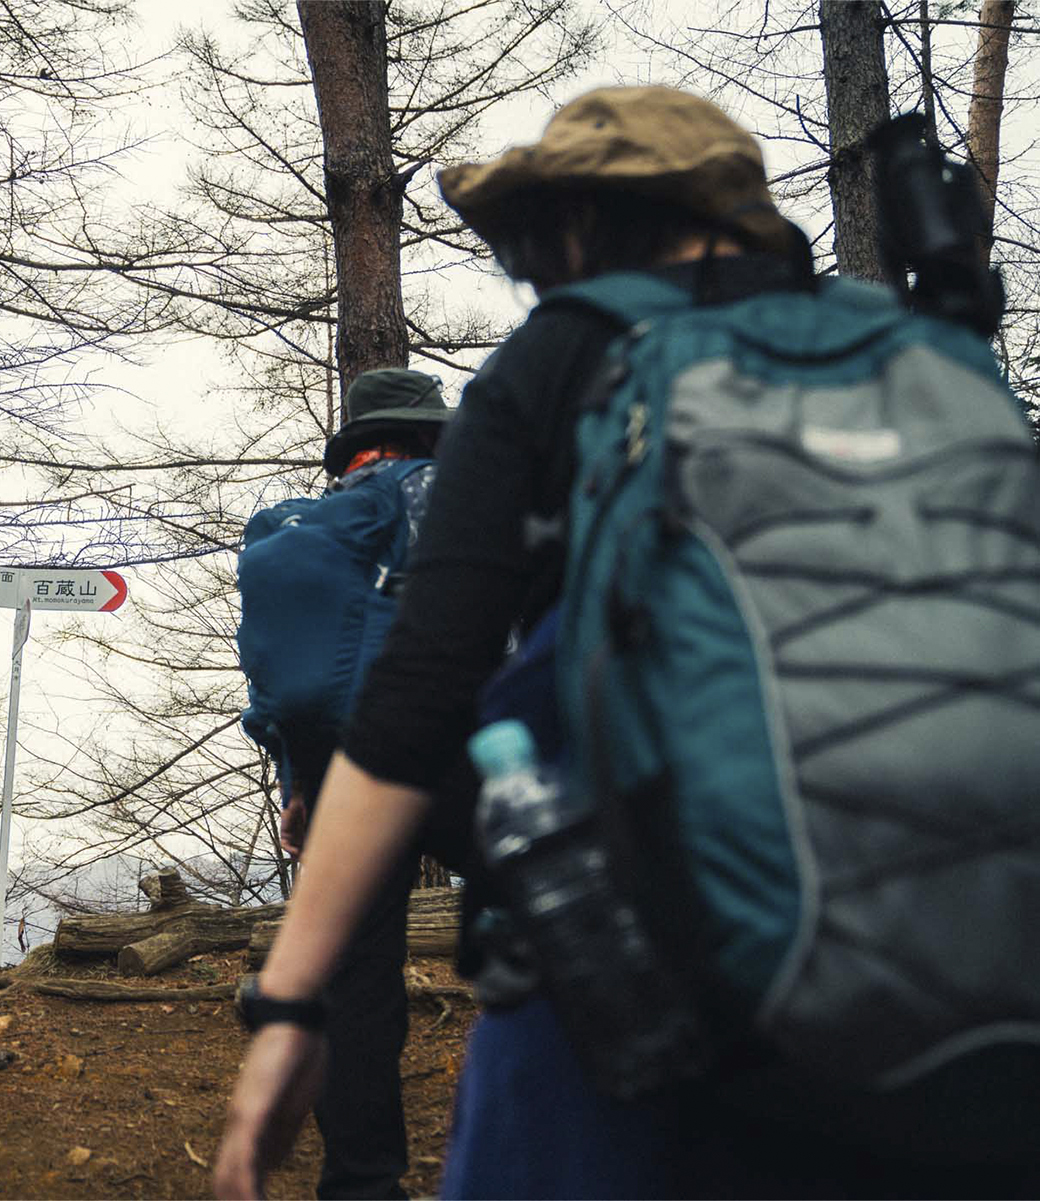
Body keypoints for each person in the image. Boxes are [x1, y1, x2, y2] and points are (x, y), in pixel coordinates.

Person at [215, 85, 1040, 1200]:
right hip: (975, 970)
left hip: (636, 990)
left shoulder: (565, 353)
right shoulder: (915, 353)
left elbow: (417, 690)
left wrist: (292, 1000)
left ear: (582, 222)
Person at [237, 368, 456, 1199]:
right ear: (426, 433)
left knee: (356, 977)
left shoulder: (310, 529)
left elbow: (280, 679)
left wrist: (298, 783)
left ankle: (361, 1181)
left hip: (339, 768)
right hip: (453, 739)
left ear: (354, 448)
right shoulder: (437, 490)